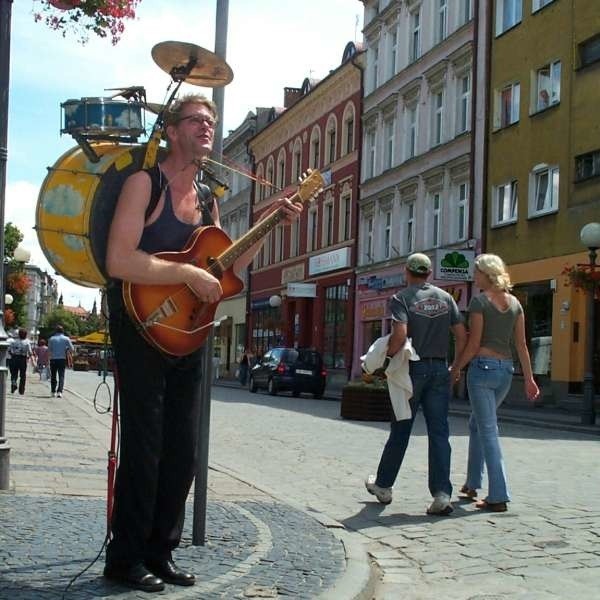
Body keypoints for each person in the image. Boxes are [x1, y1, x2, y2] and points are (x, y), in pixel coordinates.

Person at [103, 93, 303, 593]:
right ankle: (125, 558)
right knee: (145, 447)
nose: (207, 128)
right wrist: (187, 275)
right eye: (197, 120)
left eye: (212, 122)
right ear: (172, 130)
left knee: (184, 451)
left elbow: (228, 272)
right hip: (142, 325)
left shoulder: (209, 201)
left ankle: (160, 551)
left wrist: (271, 219)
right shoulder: (143, 185)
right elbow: (120, 261)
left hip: (189, 334)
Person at [365, 253, 467, 515]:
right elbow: (461, 335)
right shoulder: (446, 298)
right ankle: (442, 494)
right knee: (439, 433)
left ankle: (384, 486)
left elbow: (399, 334)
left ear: (407, 273)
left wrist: (386, 362)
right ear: (430, 273)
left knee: (401, 428)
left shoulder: (401, 298)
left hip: (412, 370)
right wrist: (455, 367)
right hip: (439, 368)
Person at [451, 254, 539, 513]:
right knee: (477, 423)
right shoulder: (514, 303)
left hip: (482, 370)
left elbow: (474, 343)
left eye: (476, 272)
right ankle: (472, 483)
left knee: (488, 430)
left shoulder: (479, 302)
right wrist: (530, 378)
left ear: (487, 274)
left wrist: (456, 367)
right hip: (506, 372)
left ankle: (498, 495)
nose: (474, 276)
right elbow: (521, 344)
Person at [48, 325, 74, 398]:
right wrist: (66, 350)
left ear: (55, 331)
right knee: (61, 376)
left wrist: (48, 359)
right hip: (62, 359)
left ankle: (53, 391)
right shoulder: (66, 339)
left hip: (53, 359)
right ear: (63, 331)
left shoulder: (51, 339)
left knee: (53, 376)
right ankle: (59, 391)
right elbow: (72, 349)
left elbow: (49, 350)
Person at [8, 328, 33, 395]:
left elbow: (9, 350)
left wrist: (13, 355)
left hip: (14, 358)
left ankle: (13, 383)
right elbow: (30, 352)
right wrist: (32, 360)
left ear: (19, 334)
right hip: (23, 359)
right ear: (25, 335)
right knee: (22, 375)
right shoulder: (27, 342)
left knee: (14, 373)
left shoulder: (14, 341)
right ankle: (21, 390)